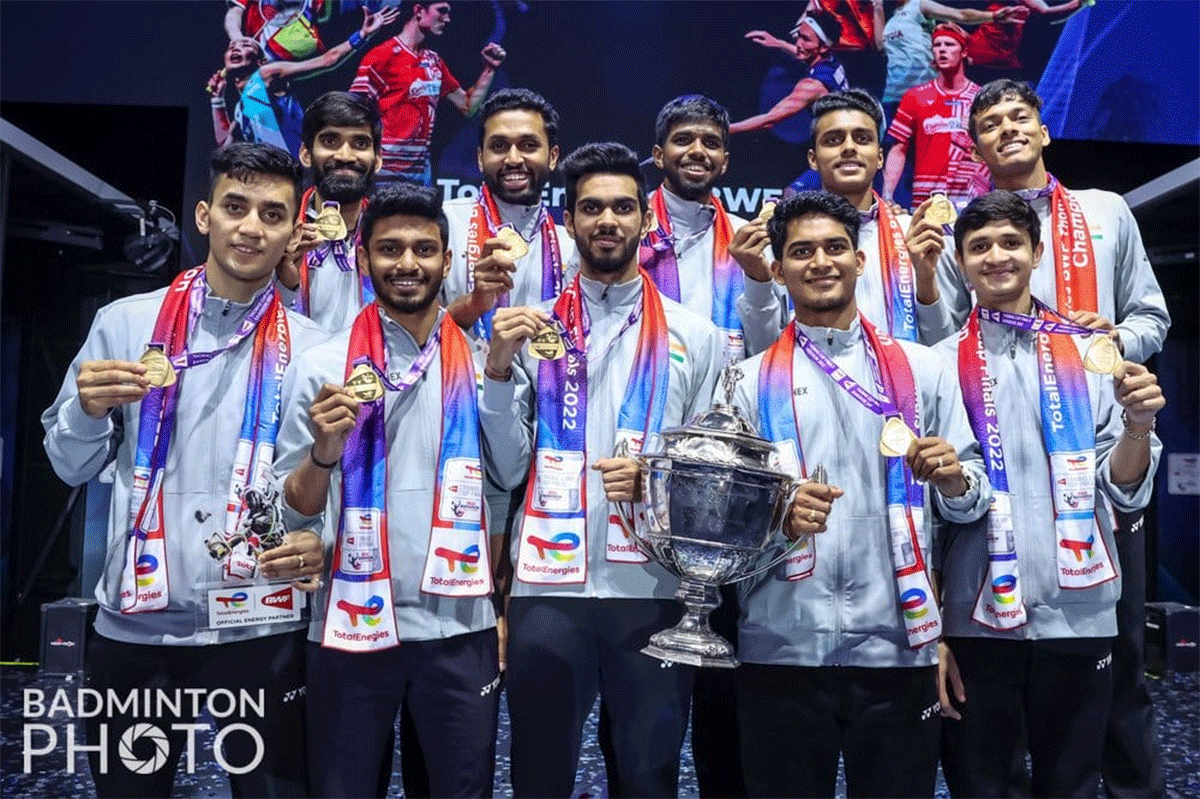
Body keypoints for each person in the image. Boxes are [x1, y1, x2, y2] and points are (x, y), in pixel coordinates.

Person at [41, 142, 327, 798]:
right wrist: (85, 411)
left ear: (290, 233)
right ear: (204, 215)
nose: (251, 225)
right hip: (135, 631)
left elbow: (323, 481)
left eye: (271, 213)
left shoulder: (315, 349)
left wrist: (324, 540)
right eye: (235, 206)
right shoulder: (125, 325)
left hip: (262, 626)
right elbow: (66, 465)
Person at [942, 77, 1171, 799]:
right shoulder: (959, 226)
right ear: (975, 147)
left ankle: (1128, 788)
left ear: (1044, 129)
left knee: (1117, 649)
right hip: (995, 434)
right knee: (996, 668)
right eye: (990, 123)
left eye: (1020, 116)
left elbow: (1150, 314)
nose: (1007, 128)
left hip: (1100, 442)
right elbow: (943, 331)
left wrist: (1105, 345)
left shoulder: (1106, 213)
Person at [727, 191, 990, 798]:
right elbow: (726, 523)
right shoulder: (745, 380)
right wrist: (777, 515)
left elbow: (972, 499)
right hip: (781, 648)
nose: (820, 262)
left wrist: (953, 479)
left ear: (860, 260)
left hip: (899, 648)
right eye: (801, 252)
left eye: (834, 248)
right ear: (778, 267)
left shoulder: (924, 369)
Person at [479, 142, 723, 798]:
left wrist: (660, 478)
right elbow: (507, 468)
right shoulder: (533, 329)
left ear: (645, 218)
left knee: (648, 777)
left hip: (653, 589)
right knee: (539, 772)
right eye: (592, 208)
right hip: (547, 590)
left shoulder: (695, 336)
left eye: (622, 207)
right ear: (571, 219)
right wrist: (497, 371)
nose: (607, 220)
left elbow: (711, 471)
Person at [277, 182, 502, 798]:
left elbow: (509, 479)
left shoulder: (489, 369)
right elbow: (286, 509)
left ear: (448, 262)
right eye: (389, 249)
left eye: (424, 249)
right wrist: (323, 455)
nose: (407, 264)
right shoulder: (319, 367)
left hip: (458, 629)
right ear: (365, 256)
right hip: (347, 629)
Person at [643, 94, 786, 364]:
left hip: (725, 399)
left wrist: (758, 280)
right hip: (644, 392)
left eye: (711, 143)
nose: (698, 151)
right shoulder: (629, 230)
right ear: (659, 156)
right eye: (683, 140)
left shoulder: (748, 239)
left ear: (724, 161)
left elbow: (767, 354)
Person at [807, 88, 956, 343]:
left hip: (904, 381)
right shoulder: (787, 240)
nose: (849, 148)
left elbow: (944, 346)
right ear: (813, 159)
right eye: (833, 140)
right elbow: (764, 345)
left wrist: (925, 281)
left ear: (879, 158)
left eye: (862, 138)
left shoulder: (918, 236)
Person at [442, 88, 574, 340]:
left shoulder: (572, 242)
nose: (513, 159)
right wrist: (474, 304)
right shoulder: (445, 224)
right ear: (481, 158)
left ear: (553, 157)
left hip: (549, 378)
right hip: (462, 376)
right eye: (499, 146)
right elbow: (414, 329)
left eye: (528, 145)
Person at [208, 5, 399, 157]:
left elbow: (327, 60)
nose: (236, 49)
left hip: (299, 174)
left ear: (261, 61)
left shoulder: (266, 74)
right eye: (232, 46)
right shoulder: (243, 109)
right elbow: (224, 145)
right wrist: (217, 101)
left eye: (246, 45)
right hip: (275, 178)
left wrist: (362, 35)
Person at [350, 1, 507, 185]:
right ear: (418, 10)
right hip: (383, 174)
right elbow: (352, 115)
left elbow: (468, 106)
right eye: (442, 11)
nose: (447, 19)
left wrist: (489, 69)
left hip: (421, 176)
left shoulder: (433, 61)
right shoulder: (381, 56)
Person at [275, 90, 384, 331]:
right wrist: (283, 284)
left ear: (377, 158)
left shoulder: (389, 238)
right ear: (306, 154)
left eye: (360, 143)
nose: (345, 155)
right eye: (330, 141)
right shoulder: (278, 232)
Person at [883, 23, 991, 208]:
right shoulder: (915, 96)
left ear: (964, 52)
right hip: (927, 199)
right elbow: (898, 149)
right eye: (937, 45)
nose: (942, 50)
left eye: (949, 45)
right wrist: (887, 196)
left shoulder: (982, 98)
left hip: (973, 197)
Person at [731, 10, 849, 139]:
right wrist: (778, 43)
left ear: (824, 47)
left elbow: (769, 120)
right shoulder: (831, 60)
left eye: (806, 39)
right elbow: (805, 53)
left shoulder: (811, 87)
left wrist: (723, 129)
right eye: (798, 36)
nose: (798, 44)